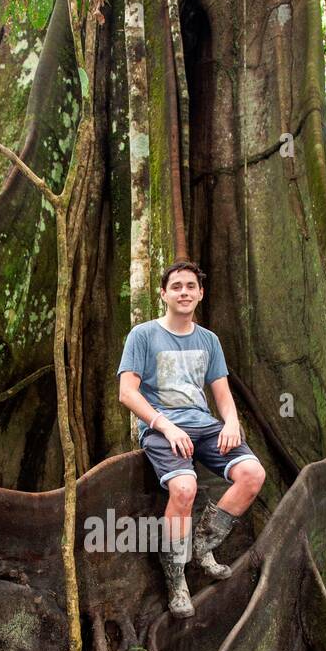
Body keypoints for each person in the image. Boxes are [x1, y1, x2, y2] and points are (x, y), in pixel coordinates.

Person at [116, 259, 265, 618]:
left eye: (191, 287)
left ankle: (202, 544)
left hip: (204, 425)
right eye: (177, 286)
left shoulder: (208, 340)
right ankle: (176, 580)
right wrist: (164, 425)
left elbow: (222, 393)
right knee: (184, 489)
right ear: (163, 293)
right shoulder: (143, 335)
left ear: (200, 294)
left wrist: (230, 422)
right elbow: (127, 393)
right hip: (162, 428)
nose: (184, 292)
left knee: (253, 475)